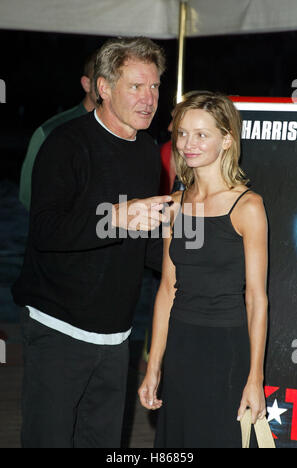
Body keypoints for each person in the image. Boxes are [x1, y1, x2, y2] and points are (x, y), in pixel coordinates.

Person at [12, 36, 170, 448]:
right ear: (103, 87)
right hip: (58, 331)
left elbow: (145, 241)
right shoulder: (65, 144)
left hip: (116, 337)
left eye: (154, 87)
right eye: (136, 86)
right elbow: (46, 232)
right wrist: (115, 217)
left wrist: (194, 258)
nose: (149, 98)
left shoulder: (149, 152)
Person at [138, 91, 269, 448]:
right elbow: (167, 288)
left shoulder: (247, 207)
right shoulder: (175, 205)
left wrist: (255, 376)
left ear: (227, 139)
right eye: (182, 133)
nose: (187, 144)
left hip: (226, 348)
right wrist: (153, 366)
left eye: (201, 134)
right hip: (181, 344)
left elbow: (256, 298)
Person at [19, 50, 98, 210]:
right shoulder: (51, 132)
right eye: (103, 80)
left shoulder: (135, 133)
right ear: (87, 84)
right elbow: (29, 197)